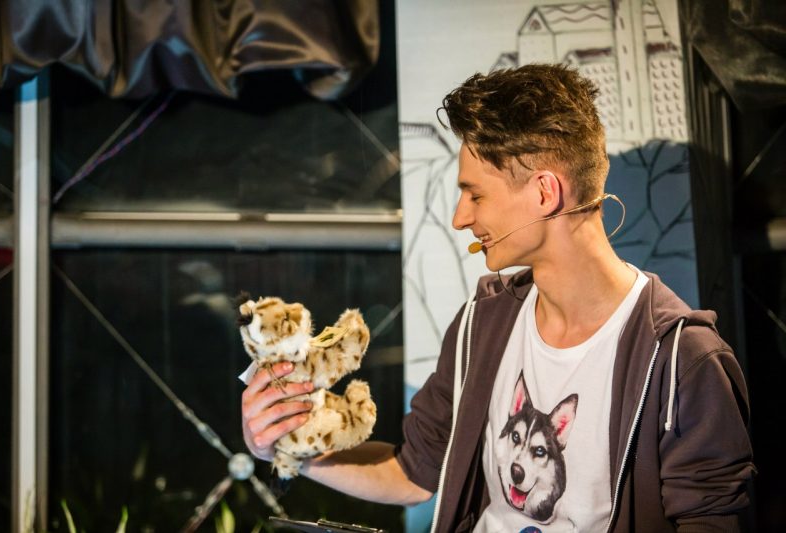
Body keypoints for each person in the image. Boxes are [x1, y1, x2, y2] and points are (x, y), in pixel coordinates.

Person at [241, 64, 755, 532]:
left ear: (545, 193)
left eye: (476, 194)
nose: (460, 217)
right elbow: (414, 471)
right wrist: (290, 445)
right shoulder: (481, 324)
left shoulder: (683, 359)